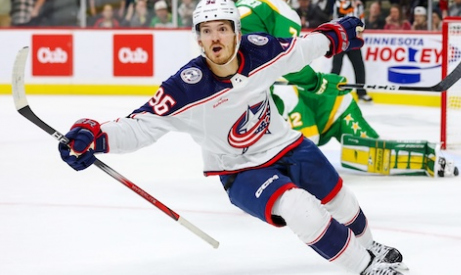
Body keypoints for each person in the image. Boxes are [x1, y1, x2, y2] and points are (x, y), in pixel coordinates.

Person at [58, 0, 406, 274]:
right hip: (239, 170)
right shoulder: (185, 88)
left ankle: (369, 246)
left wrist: (333, 37)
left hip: (286, 145)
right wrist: (96, 135)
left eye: (222, 29)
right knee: (299, 207)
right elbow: (140, 126)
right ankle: (365, 268)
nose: (215, 38)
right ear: (198, 38)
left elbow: (297, 50)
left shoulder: (259, 50)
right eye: (206, 31)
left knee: (340, 198)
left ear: (236, 32)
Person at [237, 0, 458, 178]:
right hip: (305, 103)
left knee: (375, 154)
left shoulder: (239, 11)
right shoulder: (276, 16)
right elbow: (287, 64)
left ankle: (428, 157)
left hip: (337, 112)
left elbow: (307, 143)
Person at [331, 0, 371, 102]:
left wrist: (361, 31)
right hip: (341, 38)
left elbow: (361, 17)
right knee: (337, 65)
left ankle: (361, 92)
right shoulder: (339, 3)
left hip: (353, 39)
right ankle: (330, 90)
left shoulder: (359, 4)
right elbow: (339, 15)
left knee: (359, 66)